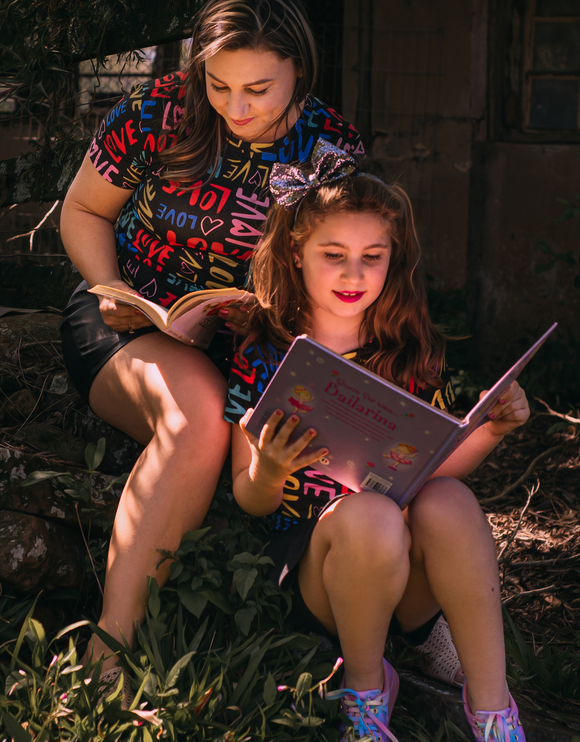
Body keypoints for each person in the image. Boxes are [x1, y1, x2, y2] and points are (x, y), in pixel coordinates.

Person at [58, 0, 364, 682]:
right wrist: (113, 289)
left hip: (265, 346)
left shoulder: (331, 151)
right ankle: (111, 648)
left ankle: (391, 642)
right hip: (129, 321)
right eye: (220, 85)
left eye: (258, 88)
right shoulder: (160, 111)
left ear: (300, 68)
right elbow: (83, 210)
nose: (235, 107)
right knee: (197, 413)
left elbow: (347, 278)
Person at [225, 140, 527, 742]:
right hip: (323, 574)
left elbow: (436, 469)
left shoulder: (405, 353)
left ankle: (492, 710)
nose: (353, 274)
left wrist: (491, 428)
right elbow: (249, 498)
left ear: (393, 259)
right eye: (333, 254)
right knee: (369, 516)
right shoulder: (264, 356)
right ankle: (365, 694)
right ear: (296, 251)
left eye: (373, 256)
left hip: (407, 574)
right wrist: (269, 469)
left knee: (449, 502)